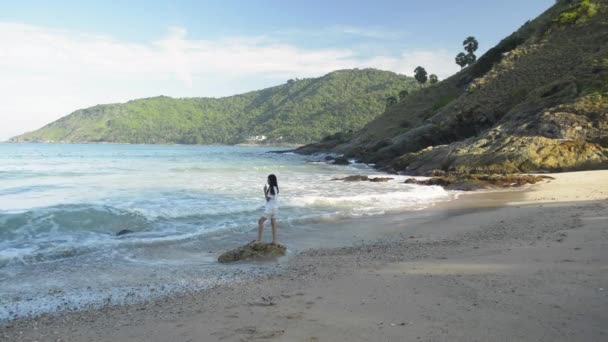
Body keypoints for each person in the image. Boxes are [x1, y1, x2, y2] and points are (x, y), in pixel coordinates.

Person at [258, 174, 279, 244]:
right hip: (275, 208)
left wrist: (264, 190)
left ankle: (259, 240)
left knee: (260, 221)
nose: (267, 180)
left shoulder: (271, 189)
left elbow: (267, 199)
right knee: (273, 224)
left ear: (270, 180)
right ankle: (274, 241)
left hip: (270, 208)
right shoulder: (276, 188)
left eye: (268, 179)